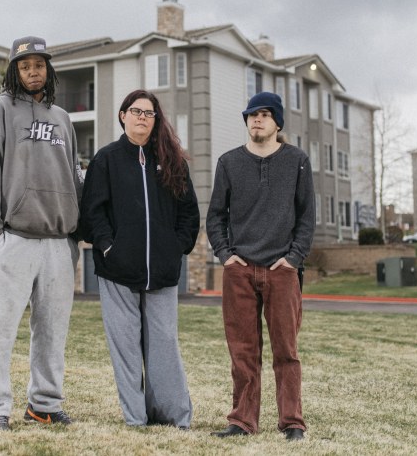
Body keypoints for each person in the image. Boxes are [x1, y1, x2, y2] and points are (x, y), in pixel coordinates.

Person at [0, 35, 83, 430]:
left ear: (48, 69)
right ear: (14, 71)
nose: (33, 71)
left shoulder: (63, 119)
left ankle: (44, 405)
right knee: (0, 331)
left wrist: (74, 234)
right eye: (25, 65)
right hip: (13, 238)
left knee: (52, 332)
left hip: (57, 241)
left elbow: (73, 176)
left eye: (39, 65)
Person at [80, 89, 200, 428]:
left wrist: (175, 247)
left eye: (149, 113)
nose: (142, 117)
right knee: (126, 350)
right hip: (117, 270)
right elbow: (93, 212)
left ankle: (174, 415)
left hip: (162, 273)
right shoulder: (106, 159)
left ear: (156, 120)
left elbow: (189, 213)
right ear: (123, 115)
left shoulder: (172, 160)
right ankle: (135, 418)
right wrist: (108, 247)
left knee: (164, 346)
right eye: (136, 111)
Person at [206, 91, 315, 441]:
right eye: (252, 114)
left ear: (277, 122)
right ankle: (242, 421)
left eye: (265, 114)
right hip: (240, 269)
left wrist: (294, 258)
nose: (257, 119)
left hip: (282, 271)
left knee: (287, 351)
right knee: (242, 351)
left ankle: (292, 422)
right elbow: (215, 217)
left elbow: (307, 217)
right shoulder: (229, 162)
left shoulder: (297, 160)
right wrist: (225, 255)